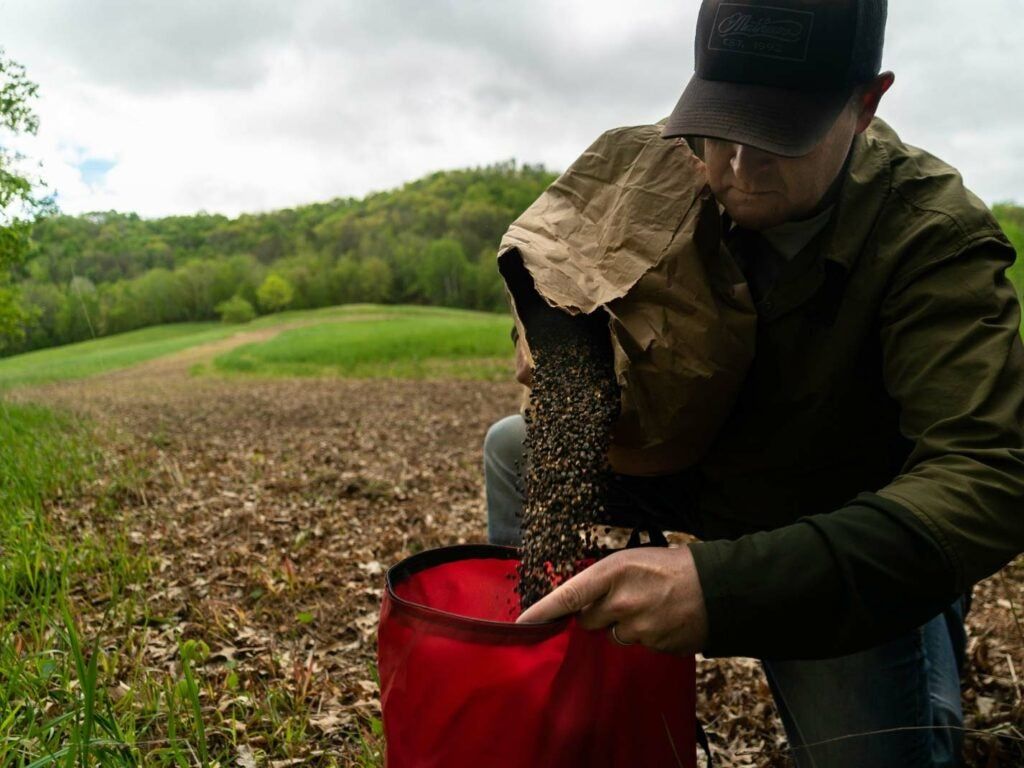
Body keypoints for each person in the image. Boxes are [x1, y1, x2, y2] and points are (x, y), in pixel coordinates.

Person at [483, 0, 1024, 766]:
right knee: (517, 447)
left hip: (828, 513)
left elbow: (988, 473)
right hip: (707, 469)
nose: (734, 169)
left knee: (884, 752)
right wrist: (564, 334)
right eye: (722, 126)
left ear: (866, 105)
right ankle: (543, 665)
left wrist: (718, 589)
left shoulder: (929, 234)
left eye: (776, 138)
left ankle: (924, 615)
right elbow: (560, 262)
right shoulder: (666, 166)